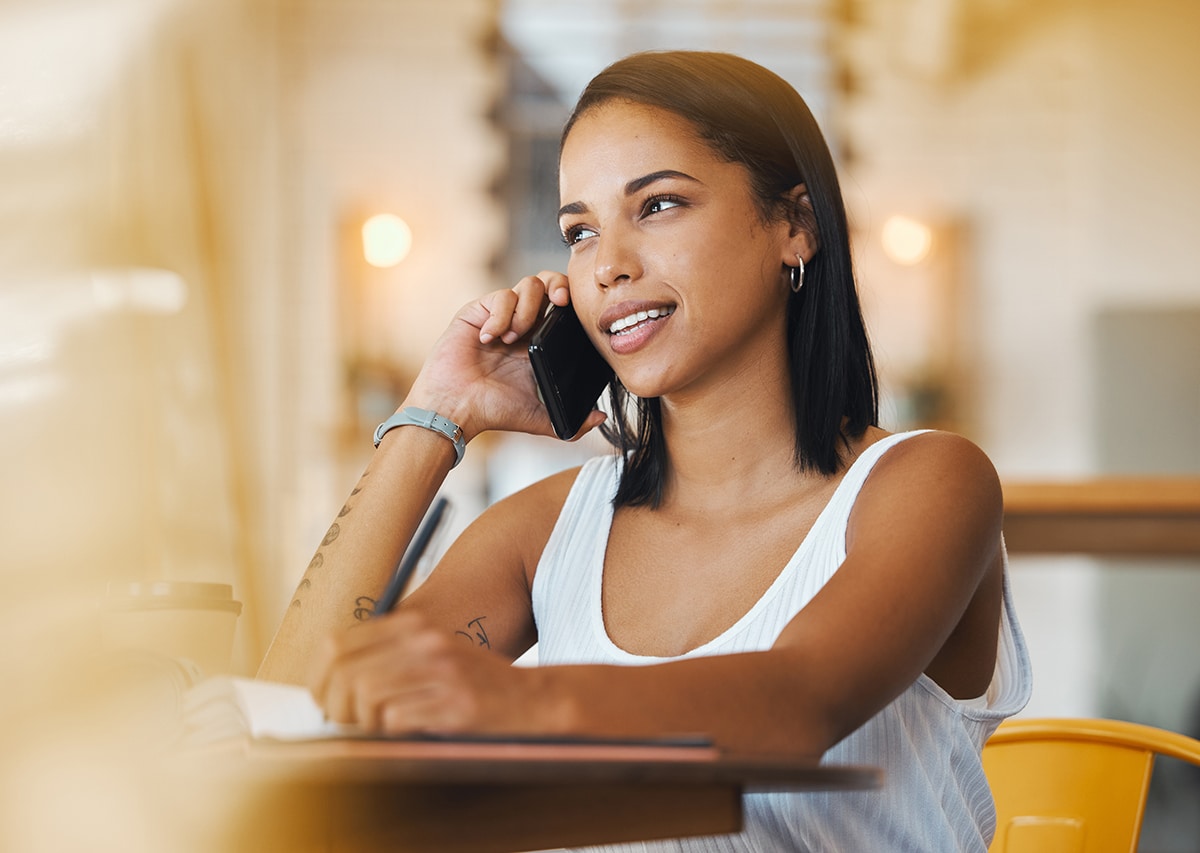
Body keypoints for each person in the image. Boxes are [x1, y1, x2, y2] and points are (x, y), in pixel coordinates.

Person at [258, 50, 1031, 851]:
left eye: (658, 204)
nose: (610, 267)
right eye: (580, 231)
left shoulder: (928, 484)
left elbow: (795, 703)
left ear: (794, 226)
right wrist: (435, 416)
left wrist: (510, 702)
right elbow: (284, 728)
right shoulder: (549, 530)